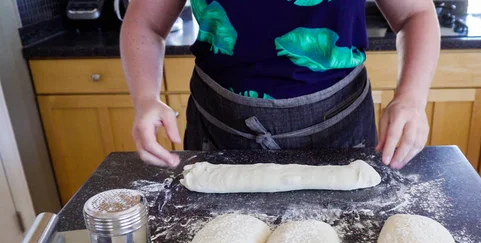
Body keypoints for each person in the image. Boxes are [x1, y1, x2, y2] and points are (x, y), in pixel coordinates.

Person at [120, 0, 440, 169]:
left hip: (339, 125)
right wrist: (146, 97)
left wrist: (411, 97)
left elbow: (416, 13)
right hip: (220, 125)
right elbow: (145, 22)